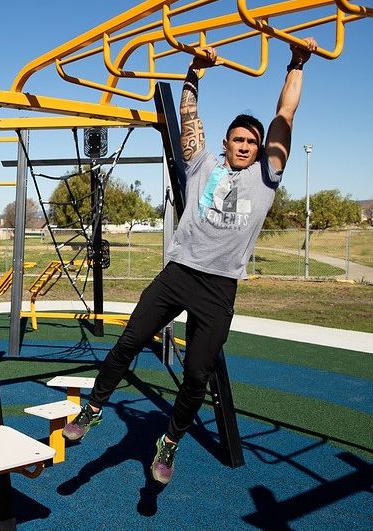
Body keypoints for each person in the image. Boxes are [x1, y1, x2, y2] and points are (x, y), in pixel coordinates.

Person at [62, 38, 318, 485]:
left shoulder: (267, 176)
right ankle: (93, 408)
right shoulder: (201, 163)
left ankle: (169, 443)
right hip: (179, 273)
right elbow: (188, 116)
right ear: (226, 142)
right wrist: (194, 72)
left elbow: (285, 116)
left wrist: (296, 64)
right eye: (238, 139)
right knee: (129, 342)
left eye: (251, 142)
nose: (244, 146)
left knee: (198, 375)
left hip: (220, 288)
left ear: (259, 149)